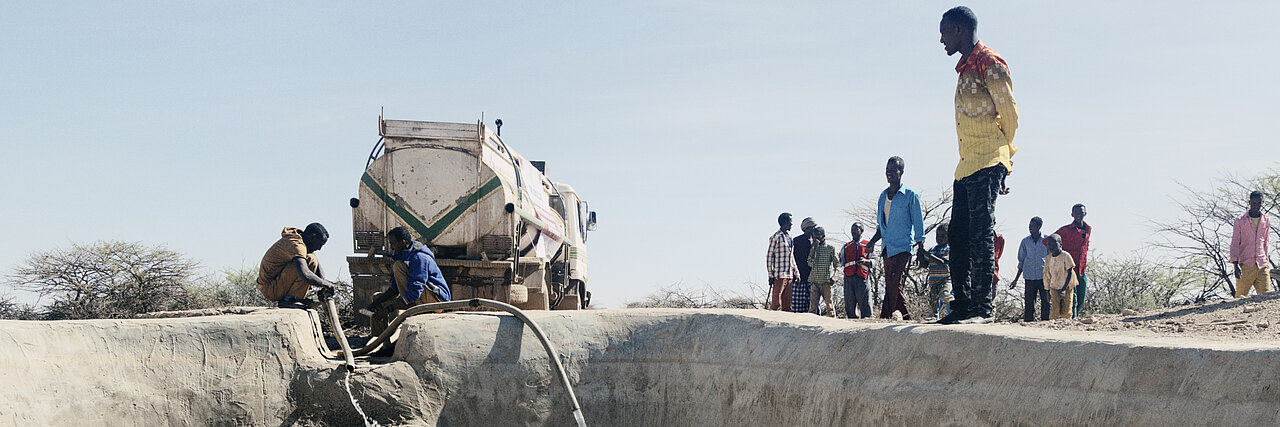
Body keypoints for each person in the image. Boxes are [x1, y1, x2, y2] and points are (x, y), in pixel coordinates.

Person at [937, 6, 1019, 325]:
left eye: (944, 32)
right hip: (966, 164)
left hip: (988, 158)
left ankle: (983, 308)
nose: (940, 39)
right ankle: (963, 304)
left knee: (981, 233)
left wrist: (1005, 161)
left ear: (959, 30)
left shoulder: (990, 63)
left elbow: (1010, 115)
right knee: (958, 235)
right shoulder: (964, 69)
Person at [360, 226, 451, 336]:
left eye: (393, 243)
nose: (392, 247)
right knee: (377, 298)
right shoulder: (402, 257)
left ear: (402, 243)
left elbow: (414, 292)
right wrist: (374, 304)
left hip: (436, 302)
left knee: (398, 266)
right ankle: (380, 342)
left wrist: (387, 309)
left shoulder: (420, 258)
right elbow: (394, 289)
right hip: (416, 299)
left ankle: (414, 310)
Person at [867, 157, 926, 320]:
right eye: (887, 170)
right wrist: (872, 242)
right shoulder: (882, 196)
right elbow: (881, 226)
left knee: (893, 279)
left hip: (903, 246)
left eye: (893, 170)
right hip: (887, 247)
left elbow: (918, 222)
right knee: (892, 283)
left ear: (901, 172)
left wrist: (921, 247)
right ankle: (906, 316)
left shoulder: (910, 196)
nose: (889, 173)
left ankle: (885, 315)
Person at [256, 223, 338, 309]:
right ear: (313, 237)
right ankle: (288, 300)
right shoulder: (296, 245)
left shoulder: (303, 240)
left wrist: (324, 285)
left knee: (312, 258)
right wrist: (325, 284)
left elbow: (317, 265)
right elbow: (305, 273)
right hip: (270, 288)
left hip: (275, 284)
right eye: (320, 244)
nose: (319, 249)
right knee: (308, 262)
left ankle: (294, 298)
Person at [1230, 191, 1274, 298]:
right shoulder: (1240, 221)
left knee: (1266, 297)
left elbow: (1266, 241)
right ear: (1249, 202)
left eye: (1258, 203)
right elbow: (1235, 243)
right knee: (1240, 297)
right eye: (1253, 203)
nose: (1256, 206)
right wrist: (1235, 265)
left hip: (1262, 264)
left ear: (1262, 203)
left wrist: (1266, 261)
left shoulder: (1266, 219)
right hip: (1246, 264)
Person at [1054, 204, 1092, 318]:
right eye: (1076, 213)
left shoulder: (1088, 229)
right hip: (1069, 269)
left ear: (1085, 213)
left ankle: (1070, 316)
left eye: (1081, 212)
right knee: (1073, 297)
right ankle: (1072, 320)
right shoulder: (1065, 230)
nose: (1079, 215)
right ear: (1072, 214)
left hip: (1081, 268)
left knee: (1081, 297)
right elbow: (1048, 241)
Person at [1010, 217, 1050, 321]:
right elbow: (1021, 261)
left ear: (1039, 226)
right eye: (1029, 226)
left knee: (1046, 301)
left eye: (1033, 226)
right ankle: (1028, 323)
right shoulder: (1025, 242)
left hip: (1043, 276)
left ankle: (1045, 322)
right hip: (1029, 277)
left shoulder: (1046, 240)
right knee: (1029, 302)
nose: (1030, 228)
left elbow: (1051, 259)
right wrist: (1015, 280)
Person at [766, 213, 800, 311]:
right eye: (790, 222)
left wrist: (796, 273)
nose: (791, 224)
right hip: (779, 274)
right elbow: (769, 256)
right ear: (785, 223)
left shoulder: (790, 237)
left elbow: (791, 256)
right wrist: (770, 274)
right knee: (776, 303)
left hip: (789, 274)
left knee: (787, 304)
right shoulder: (775, 237)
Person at [840, 223, 875, 319]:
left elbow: (875, 260)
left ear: (861, 231)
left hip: (862, 277)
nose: (853, 231)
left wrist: (866, 261)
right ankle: (852, 322)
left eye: (856, 229)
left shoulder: (868, 245)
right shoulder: (846, 246)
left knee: (865, 302)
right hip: (849, 277)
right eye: (852, 229)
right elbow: (842, 262)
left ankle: (867, 321)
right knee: (849, 302)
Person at [1042, 234, 1078, 320]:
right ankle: (1052, 327)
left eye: (1054, 244)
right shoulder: (1048, 258)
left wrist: (1064, 289)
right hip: (1054, 286)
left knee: (1066, 310)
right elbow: (1047, 275)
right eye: (1049, 245)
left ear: (1060, 244)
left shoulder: (1066, 256)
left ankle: (1066, 326)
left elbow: (1069, 272)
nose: (1052, 247)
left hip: (1067, 286)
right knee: (1054, 310)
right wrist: (1047, 291)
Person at [807, 226, 839, 316]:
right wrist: (815, 249)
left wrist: (835, 276)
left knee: (829, 307)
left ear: (823, 236)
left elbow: (837, 264)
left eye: (818, 237)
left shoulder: (830, 248)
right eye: (814, 237)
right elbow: (810, 263)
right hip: (815, 281)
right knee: (813, 307)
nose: (816, 239)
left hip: (826, 282)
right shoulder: (813, 249)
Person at [922, 225, 953, 320]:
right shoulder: (932, 250)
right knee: (933, 301)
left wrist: (927, 254)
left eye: (943, 236)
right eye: (938, 236)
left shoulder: (948, 249)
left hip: (945, 279)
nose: (940, 238)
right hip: (933, 281)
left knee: (945, 295)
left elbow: (942, 262)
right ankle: (933, 317)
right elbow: (925, 264)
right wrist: (921, 256)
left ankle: (955, 308)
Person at [791, 217, 818, 313]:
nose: (813, 230)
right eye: (811, 227)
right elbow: (792, 259)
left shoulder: (817, 241)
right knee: (798, 307)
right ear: (806, 229)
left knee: (813, 305)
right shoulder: (797, 240)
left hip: (813, 277)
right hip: (800, 277)